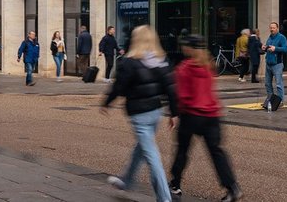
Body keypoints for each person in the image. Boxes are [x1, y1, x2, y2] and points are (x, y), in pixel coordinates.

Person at [101, 25, 177, 202]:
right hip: (155, 112)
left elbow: (119, 86)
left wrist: (107, 102)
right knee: (141, 148)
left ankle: (164, 198)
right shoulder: (161, 60)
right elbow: (171, 88)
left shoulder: (129, 62)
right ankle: (126, 180)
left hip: (139, 114)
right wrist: (174, 113)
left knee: (152, 156)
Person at [169, 35, 241, 201]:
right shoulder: (209, 64)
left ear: (188, 48)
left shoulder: (185, 67)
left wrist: (176, 112)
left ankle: (175, 184)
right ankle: (232, 187)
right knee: (216, 152)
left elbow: (181, 95)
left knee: (182, 150)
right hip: (212, 115)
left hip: (192, 114)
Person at [262, 22, 287, 106]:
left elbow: (285, 49)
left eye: (273, 28)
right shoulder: (270, 37)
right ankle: (270, 99)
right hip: (268, 63)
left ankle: (280, 101)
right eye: (270, 28)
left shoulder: (281, 37)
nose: (271, 29)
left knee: (278, 84)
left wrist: (275, 48)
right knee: (267, 83)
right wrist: (265, 48)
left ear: (277, 28)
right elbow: (269, 48)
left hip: (277, 64)